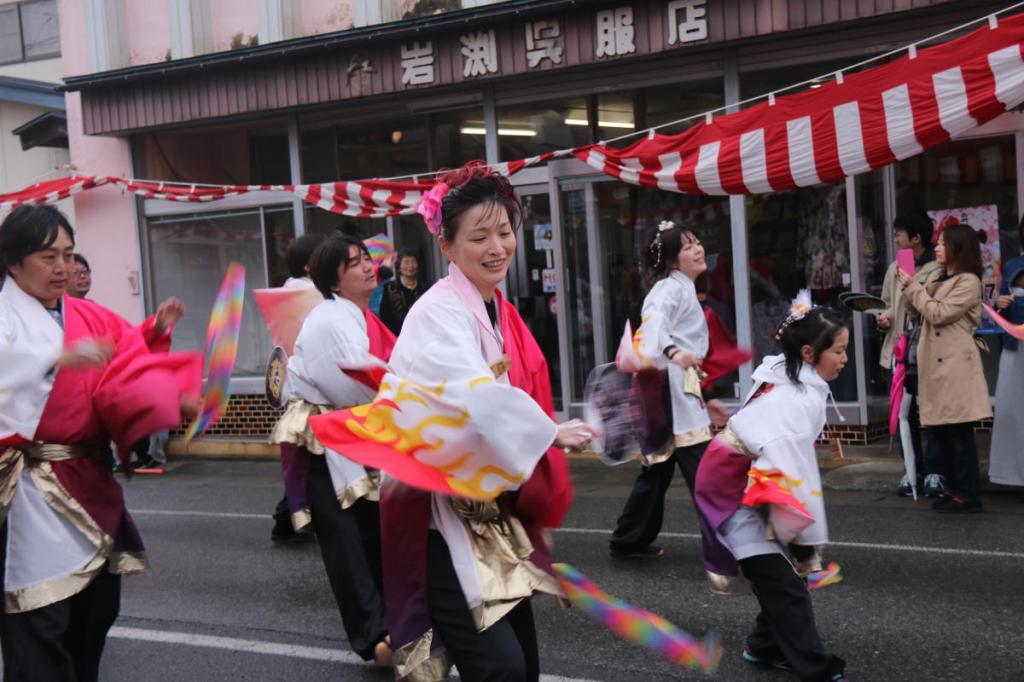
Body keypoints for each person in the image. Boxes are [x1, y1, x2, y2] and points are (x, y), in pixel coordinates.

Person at [317, 162, 592, 681]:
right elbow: (475, 397)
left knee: (521, 666)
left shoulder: (494, 309)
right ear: (446, 247)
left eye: (505, 232)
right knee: (502, 670)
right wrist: (548, 433)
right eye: (479, 236)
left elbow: (517, 391)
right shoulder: (437, 313)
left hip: (485, 511)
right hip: (436, 518)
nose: (497, 247)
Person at [0, 205, 201, 682]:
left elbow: (130, 372)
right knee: (38, 619)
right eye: (49, 257)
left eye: (69, 255)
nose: (63, 268)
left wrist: (172, 397)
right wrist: (53, 357)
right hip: (30, 492)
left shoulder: (90, 315)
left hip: (90, 483)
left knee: (94, 614)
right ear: (12, 262)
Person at [693, 301, 849, 682]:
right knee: (783, 580)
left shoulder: (790, 375)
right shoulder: (793, 400)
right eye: (840, 351)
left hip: (746, 473)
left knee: (782, 575)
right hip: (734, 484)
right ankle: (814, 668)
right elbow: (788, 475)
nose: (845, 359)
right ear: (809, 353)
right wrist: (803, 542)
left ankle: (764, 645)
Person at [269, 235, 395, 666]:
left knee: (371, 530)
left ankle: (390, 623)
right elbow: (359, 383)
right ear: (334, 280)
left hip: (348, 433)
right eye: (355, 263)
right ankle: (373, 635)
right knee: (346, 542)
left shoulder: (354, 315)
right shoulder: (330, 320)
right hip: (320, 440)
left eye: (366, 259)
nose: (367, 267)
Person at [609, 221, 728, 560]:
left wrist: (707, 397)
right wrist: (674, 352)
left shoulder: (681, 287)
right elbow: (652, 324)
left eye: (698, 242)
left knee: (659, 469)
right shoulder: (669, 290)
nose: (698, 249)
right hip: (670, 391)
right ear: (674, 261)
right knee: (703, 468)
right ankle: (733, 542)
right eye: (688, 246)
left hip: (676, 390)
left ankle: (628, 538)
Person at [897, 224, 992, 513]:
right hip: (936, 366)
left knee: (959, 432)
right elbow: (921, 313)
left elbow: (939, 314)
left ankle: (968, 493)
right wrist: (910, 290)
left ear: (957, 248)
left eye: (941, 243)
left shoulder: (968, 282)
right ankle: (953, 489)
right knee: (941, 431)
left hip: (955, 367)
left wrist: (915, 289)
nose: (936, 248)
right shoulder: (940, 278)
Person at [877, 211, 944, 497]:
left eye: (900, 234)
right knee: (905, 415)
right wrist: (884, 318)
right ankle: (912, 470)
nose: (896, 239)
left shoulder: (938, 268)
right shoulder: (895, 267)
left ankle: (935, 471)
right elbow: (888, 304)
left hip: (926, 350)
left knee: (931, 414)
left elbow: (934, 308)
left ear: (916, 238)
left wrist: (911, 285)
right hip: (898, 348)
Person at [271, 232, 325, 542]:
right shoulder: (310, 297)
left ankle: (289, 520)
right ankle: (289, 520)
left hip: (291, 387)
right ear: (308, 265)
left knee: (301, 462)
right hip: (309, 389)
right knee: (309, 461)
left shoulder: (282, 295)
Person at [989, 217, 1024, 487]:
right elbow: (999, 308)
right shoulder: (1012, 265)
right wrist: (1000, 303)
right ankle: (1016, 476)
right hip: (1016, 349)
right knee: (1013, 412)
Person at [379, 249, 429, 335]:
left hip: (422, 335)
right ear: (399, 267)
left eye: (413, 262)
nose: (410, 266)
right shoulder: (390, 288)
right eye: (406, 262)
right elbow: (385, 318)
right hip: (398, 337)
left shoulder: (425, 287)